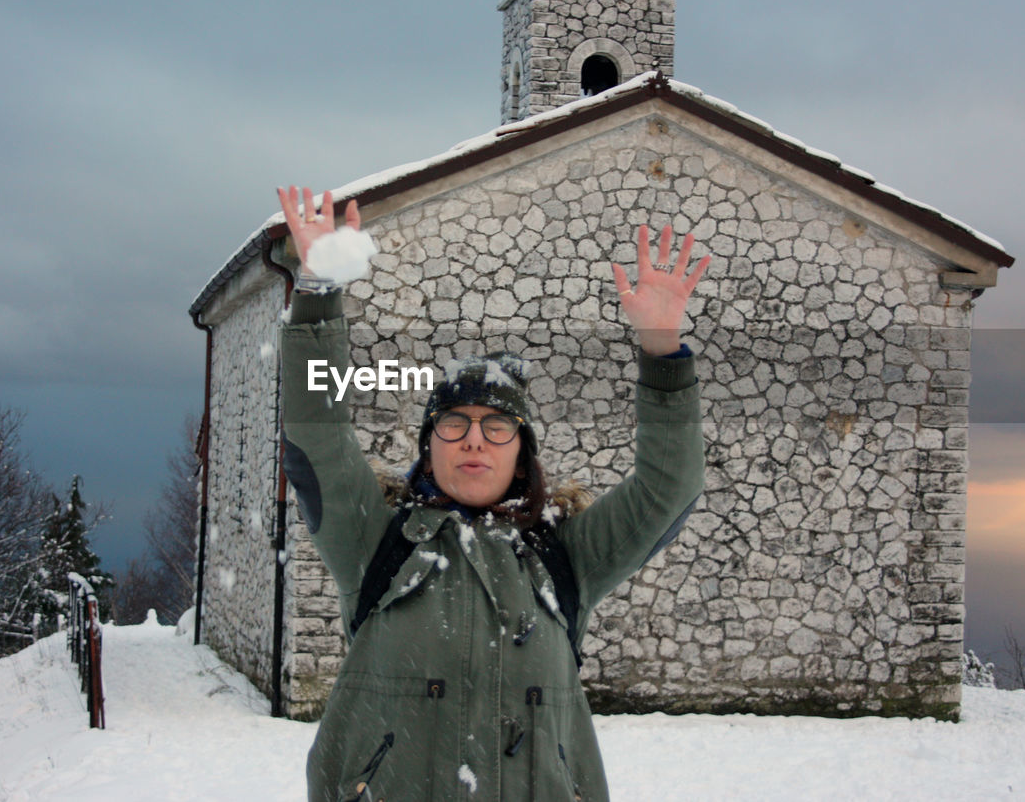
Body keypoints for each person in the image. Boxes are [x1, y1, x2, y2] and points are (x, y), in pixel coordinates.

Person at [277, 185, 708, 802]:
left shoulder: (567, 556)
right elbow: (316, 437)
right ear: (429, 444)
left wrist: (662, 351)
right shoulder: (375, 539)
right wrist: (317, 294)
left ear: (520, 450)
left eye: (496, 426)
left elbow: (670, 487)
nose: (473, 440)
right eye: (453, 424)